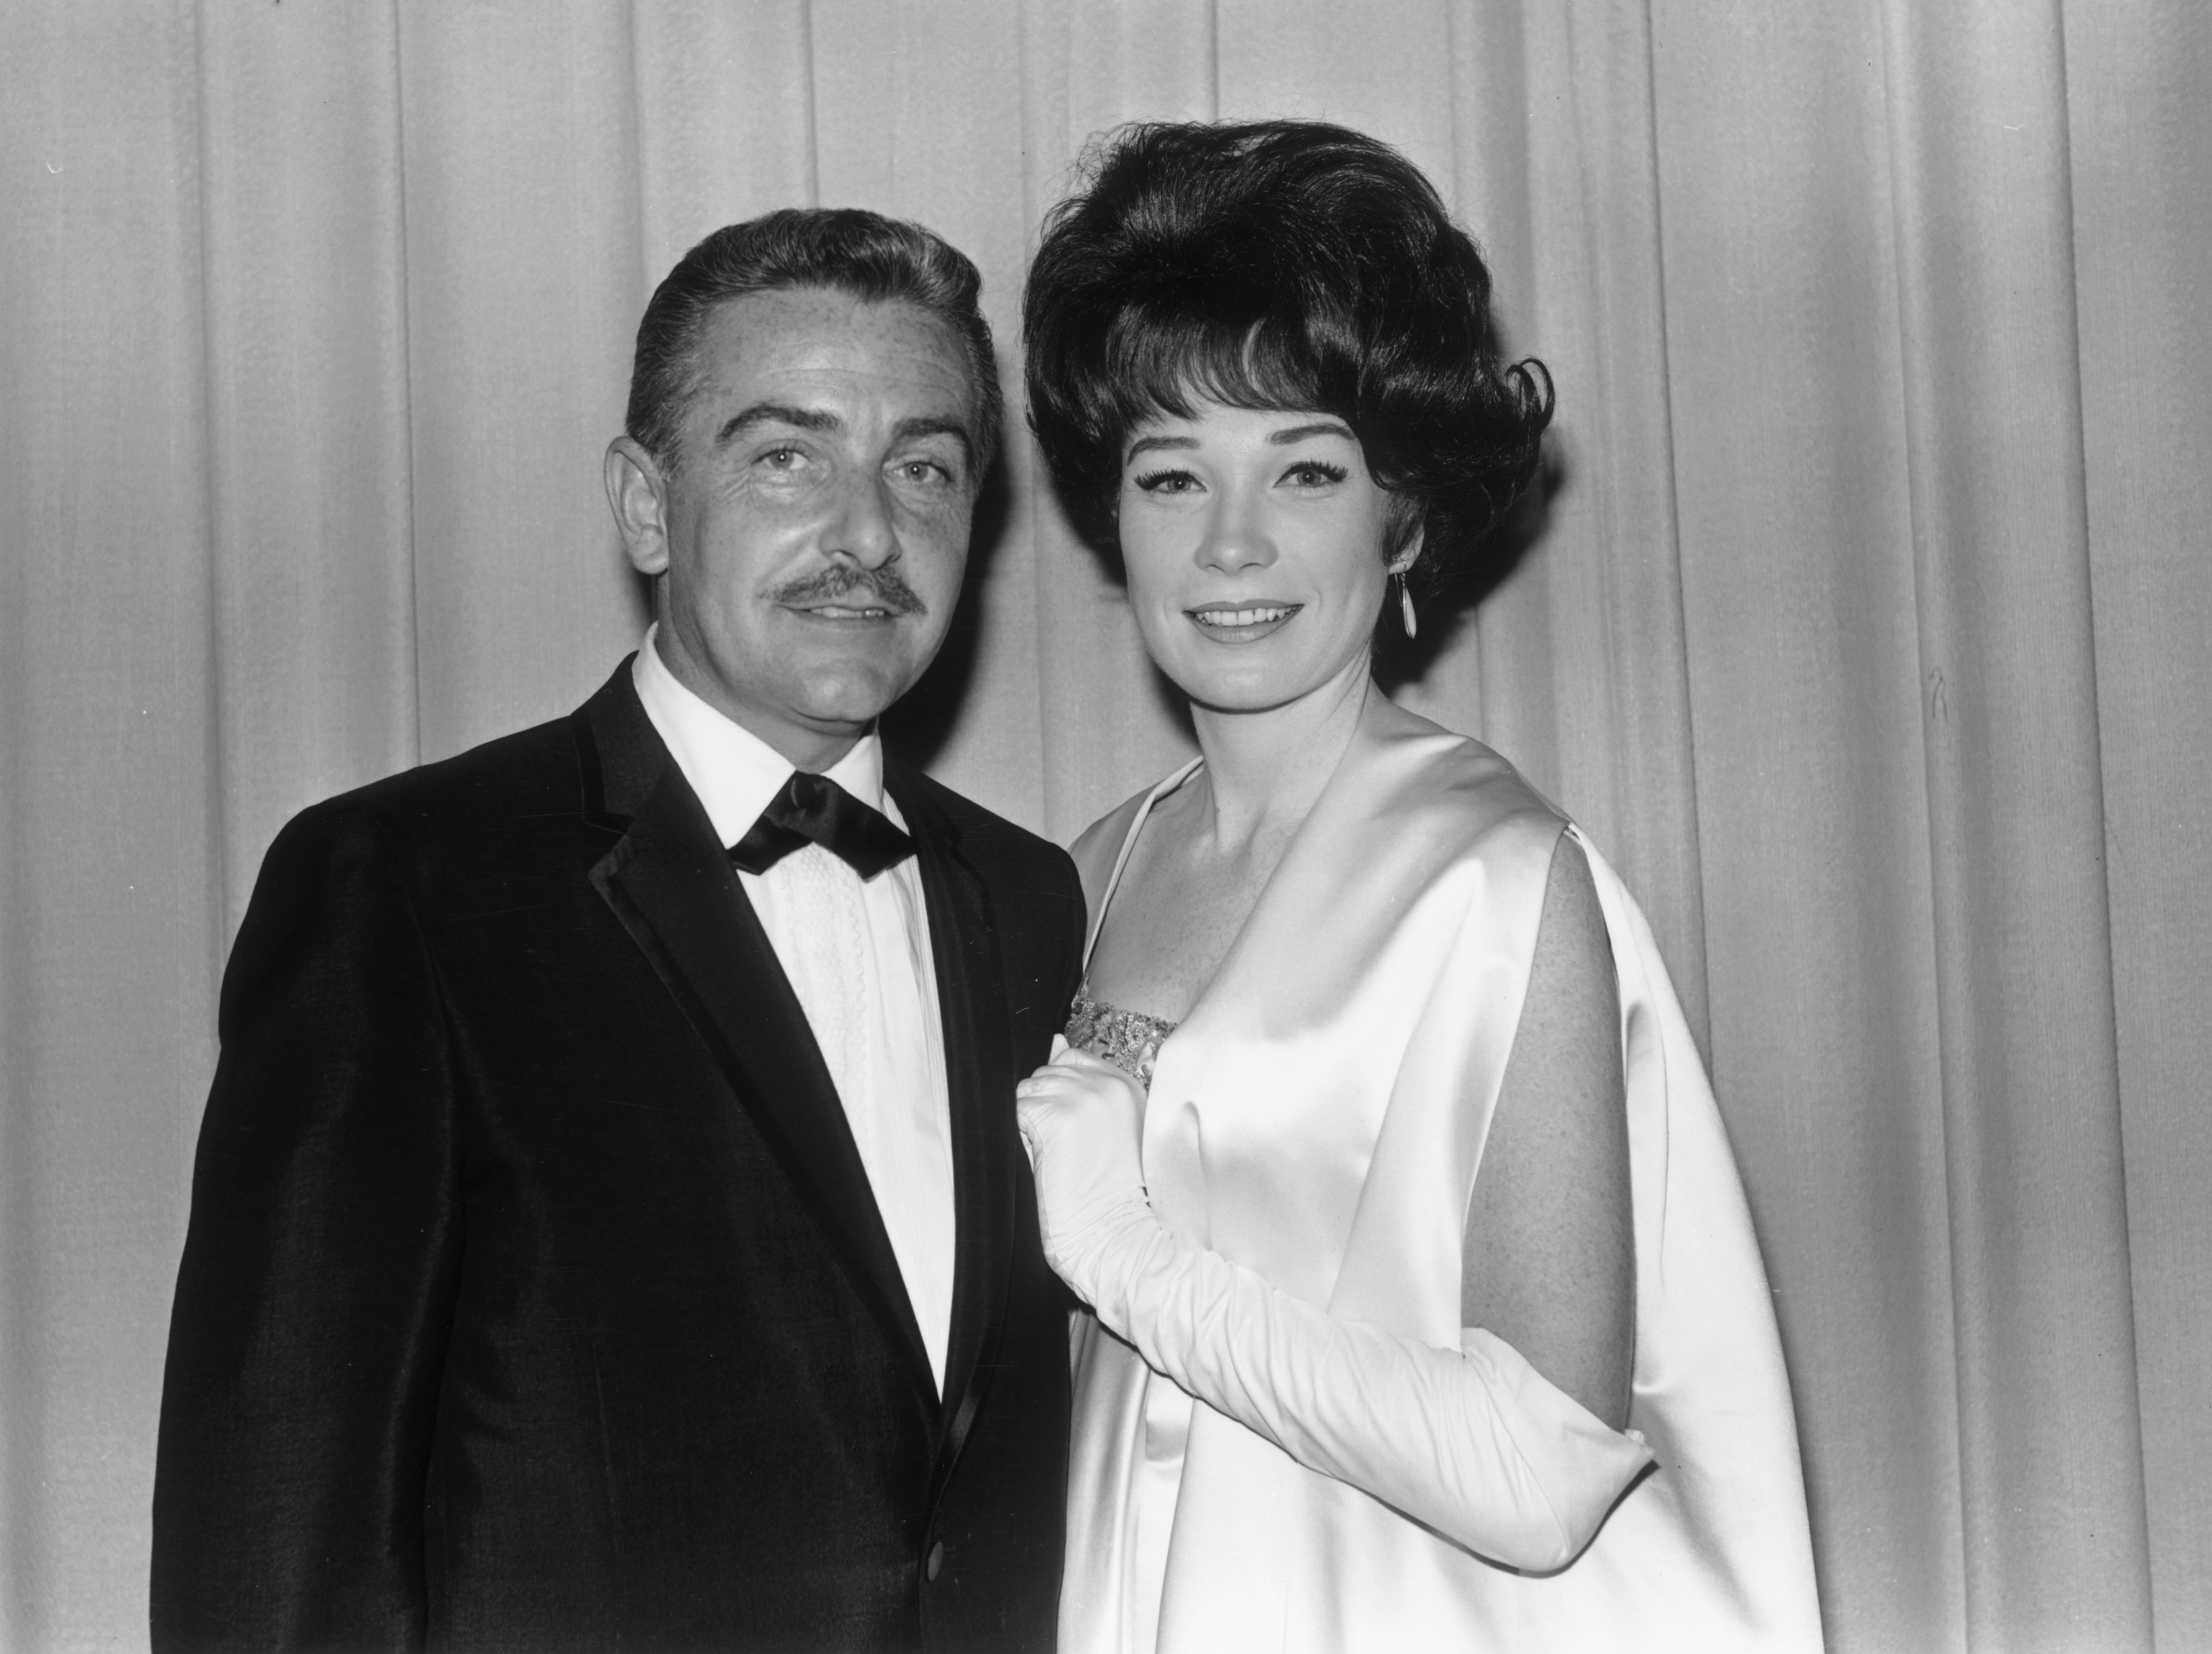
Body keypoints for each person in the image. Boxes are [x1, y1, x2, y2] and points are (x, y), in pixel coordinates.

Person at [152, 208, 1082, 1650]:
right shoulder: (404, 882)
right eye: (788, 457)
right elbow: (278, 1531)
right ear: (647, 507)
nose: (868, 534)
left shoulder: (1032, 899)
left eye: (924, 467)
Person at [1012, 121, 1823, 1652]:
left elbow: (1536, 1471)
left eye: (1305, 468)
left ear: (1405, 518)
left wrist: (1123, 1251)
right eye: (1171, 474)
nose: (1231, 542)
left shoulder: (1502, 883)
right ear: (1111, 516)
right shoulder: (1084, 871)